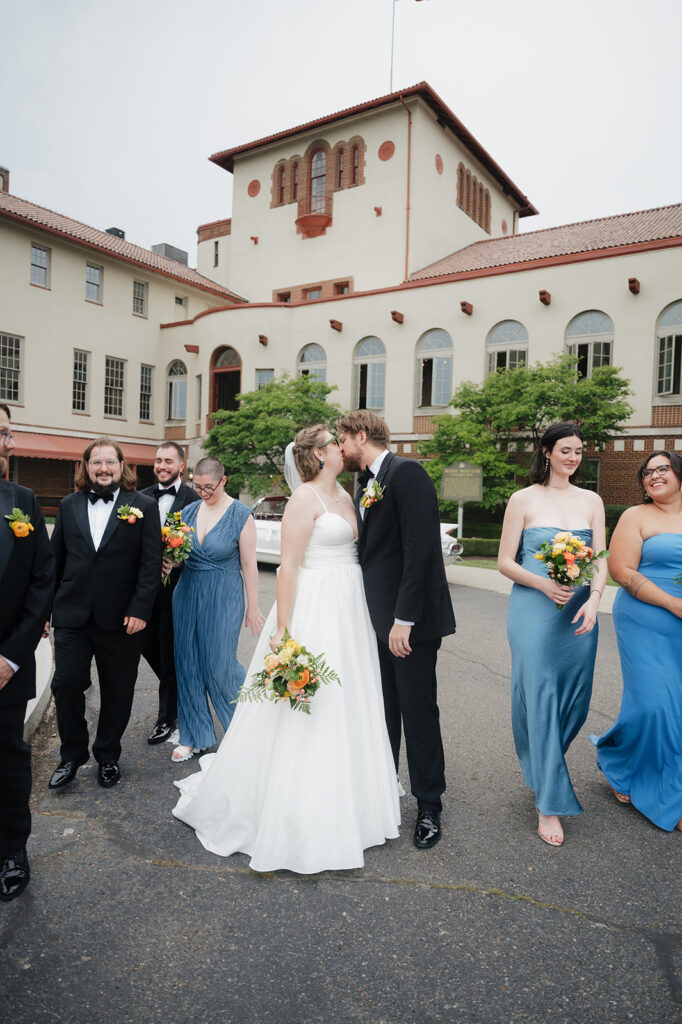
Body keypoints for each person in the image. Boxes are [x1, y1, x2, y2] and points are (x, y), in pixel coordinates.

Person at [173, 425, 401, 872]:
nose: (342, 446)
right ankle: (298, 805)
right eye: (335, 442)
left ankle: (351, 799)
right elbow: (288, 568)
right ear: (318, 454)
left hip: (349, 606)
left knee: (348, 698)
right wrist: (282, 628)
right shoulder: (304, 499)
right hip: (316, 604)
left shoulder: (348, 495)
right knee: (309, 703)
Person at [337, 410, 456, 850]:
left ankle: (429, 805)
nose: (340, 448)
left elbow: (420, 550)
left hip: (411, 624)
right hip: (377, 621)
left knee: (418, 712)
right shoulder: (364, 482)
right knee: (382, 711)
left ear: (361, 435)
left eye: (342, 439)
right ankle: (383, 795)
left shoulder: (408, 474)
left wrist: (403, 620)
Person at [497, 421, 607, 847]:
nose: (573, 457)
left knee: (575, 700)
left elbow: (598, 558)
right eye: (565, 450)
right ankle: (549, 802)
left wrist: (595, 599)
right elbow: (506, 561)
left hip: (579, 611)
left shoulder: (592, 500)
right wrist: (543, 583)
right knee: (540, 694)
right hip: (533, 609)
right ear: (546, 452)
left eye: (578, 451)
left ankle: (542, 766)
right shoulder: (522, 499)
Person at [48, 437, 160, 790]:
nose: (103, 468)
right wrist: (45, 611)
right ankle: (72, 754)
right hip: (72, 615)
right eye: (96, 462)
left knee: (118, 691)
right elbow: (55, 562)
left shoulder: (142, 505)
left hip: (123, 619)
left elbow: (150, 562)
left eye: (110, 462)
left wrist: (140, 609)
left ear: (121, 465)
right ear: (85, 467)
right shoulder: (67, 506)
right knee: (66, 683)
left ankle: (108, 755)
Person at [591, 450, 682, 833]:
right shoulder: (636, 516)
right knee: (656, 704)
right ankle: (670, 796)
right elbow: (621, 571)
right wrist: (674, 604)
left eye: (663, 468)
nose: (654, 476)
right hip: (646, 618)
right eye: (647, 472)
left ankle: (620, 758)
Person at [171, 456, 264, 763]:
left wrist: (253, 607)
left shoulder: (241, 514)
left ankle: (244, 729)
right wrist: (169, 558)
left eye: (208, 486)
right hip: (187, 591)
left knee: (221, 665)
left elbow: (250, 565)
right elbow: (179, 555)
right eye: (196, 486)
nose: (202, 492)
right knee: (187, 662)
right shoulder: (188, 511)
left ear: (223, 481)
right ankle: (194, 736)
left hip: (225, 592)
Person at [0, 405, 54, 900]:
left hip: (7, 665)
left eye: (6, 433)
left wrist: (13, 656)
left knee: (8, 757)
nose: (5, 442)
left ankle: (12, 849)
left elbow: (42, 581)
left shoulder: (24, 501)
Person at [141, 442, 199, 746]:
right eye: (158, 460)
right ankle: (175, 688)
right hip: (143, 593)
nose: (162, 466)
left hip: (178, 591)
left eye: (168, 461)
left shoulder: (193, 500)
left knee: (169, 652)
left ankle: (167, 717)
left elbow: (202, 544)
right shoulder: (140, 498)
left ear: (181, 465)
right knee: (147, 647)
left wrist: (178, 561)